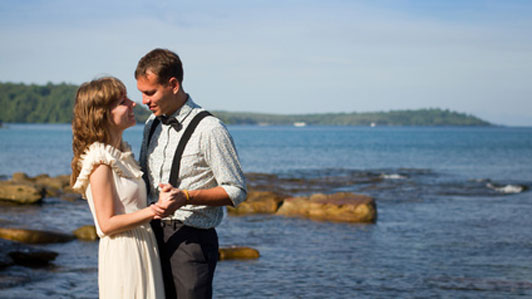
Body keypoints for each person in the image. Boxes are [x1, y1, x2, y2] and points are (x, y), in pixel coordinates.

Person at [136, 48, 247, 299]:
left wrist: (186, 196)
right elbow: (144, 179)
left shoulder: (210, 129)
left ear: (173, 84)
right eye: (141, 92)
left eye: (150, 92)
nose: (144, 100)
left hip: (191, 241)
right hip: (150, 235)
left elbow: (236, 191)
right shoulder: (150, 125)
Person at [70, 76, 175, 299]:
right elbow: (106, 224)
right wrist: (155, 209)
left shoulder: (121, 154)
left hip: (143, 245)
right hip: (124, 253)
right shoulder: (99, 160)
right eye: (122, 101)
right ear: (103, 113)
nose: (133, 103)